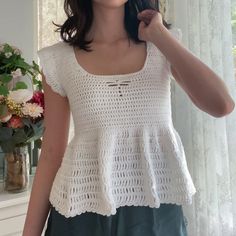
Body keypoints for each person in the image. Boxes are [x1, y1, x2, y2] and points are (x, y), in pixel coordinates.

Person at [22, 0, 235, 236]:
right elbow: (51, 153)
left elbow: (222, 104)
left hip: (156, 206)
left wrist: (161, 36)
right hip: (80, 211)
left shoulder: (161, 45)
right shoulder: (58, 60)